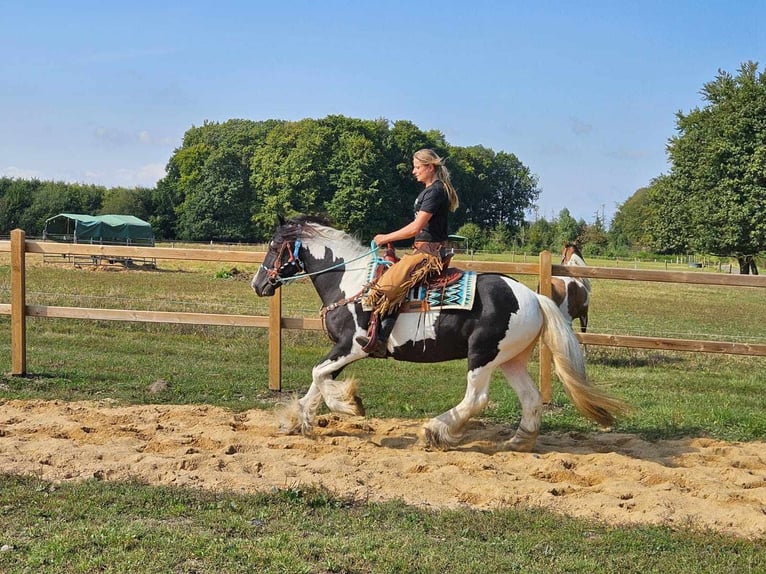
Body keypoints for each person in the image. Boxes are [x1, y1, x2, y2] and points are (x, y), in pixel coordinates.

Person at [356, 148, 460, 357]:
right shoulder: (430, 190)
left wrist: (385, 238)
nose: (414, 171)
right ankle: (382, 335)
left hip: (428, 254)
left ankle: (380, 339)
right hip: (419, 250)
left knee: (386, 286)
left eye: (417, 167)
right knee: (394, 283)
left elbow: (415, 228)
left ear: (430, 167)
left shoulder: (436, 191)